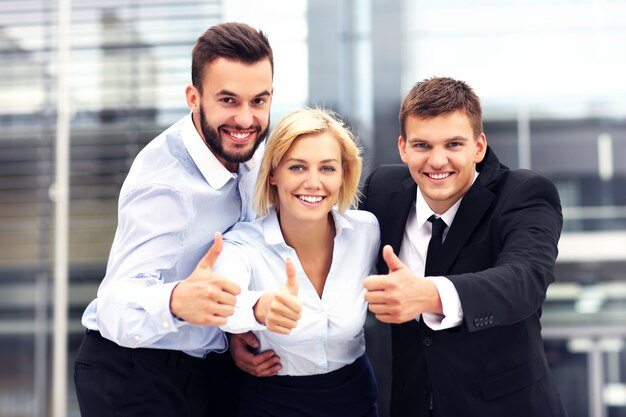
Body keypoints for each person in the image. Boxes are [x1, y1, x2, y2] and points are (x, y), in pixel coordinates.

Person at [73, 22, 280, 417]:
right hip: (135, 371)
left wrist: (231, 330)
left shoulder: (250, 150)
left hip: (206, 367)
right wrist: (175, 300)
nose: (245, 119)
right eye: (228, 101)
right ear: (193, 98)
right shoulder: (165, 187)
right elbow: (116, 305)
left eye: (258, 101)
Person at [361, 77, 568, 417]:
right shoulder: (381, 191)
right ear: (403, 147)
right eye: (422, 145)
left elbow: (524, 280)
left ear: (479, 147)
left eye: (453, 144)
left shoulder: (525, 194)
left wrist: (428, 294)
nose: (437, 161)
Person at [213, 107, 381, 416]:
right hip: (273, 403)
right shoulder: (243, 244)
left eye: (327, 168)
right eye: (298, 167)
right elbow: (221, 303)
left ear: (344, 174)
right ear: (274, 173)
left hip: (355, 400)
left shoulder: (366, 233)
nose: (313, 182)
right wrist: (260, 308)